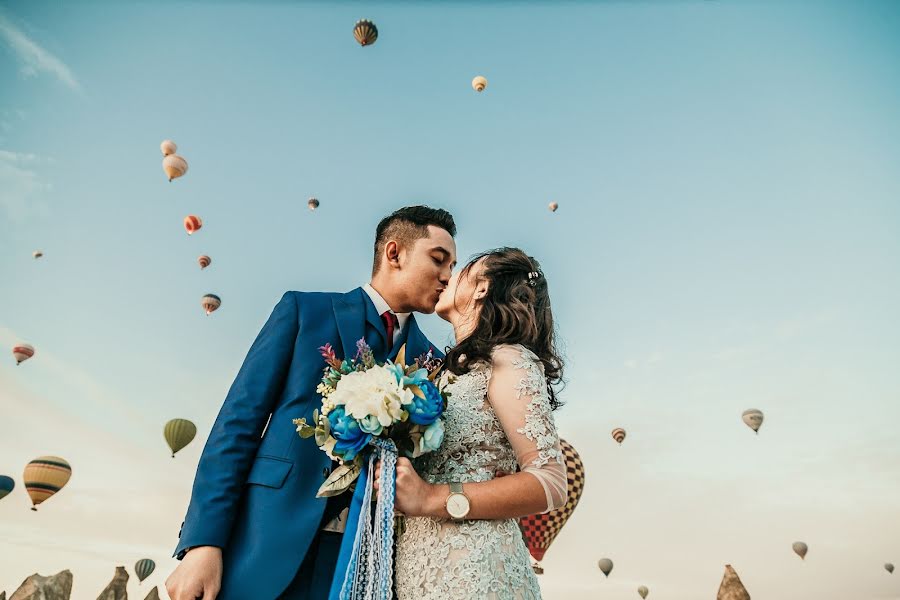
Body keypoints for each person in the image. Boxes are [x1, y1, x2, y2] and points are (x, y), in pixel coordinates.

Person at [165, 206, 457, 600]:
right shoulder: (305, 311)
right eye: (438, 260)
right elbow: (238, 423)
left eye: (452, 266)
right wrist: (203, 543)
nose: (447, 276)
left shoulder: (436, 362)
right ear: (394, 253)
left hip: (367, 566)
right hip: (263, 543)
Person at [375, 247, 568, 600]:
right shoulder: (441, 371)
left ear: (482, 286)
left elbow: (551, 482)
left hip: (476, 571)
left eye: (460, 268)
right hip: (418, 567)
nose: (447, 276)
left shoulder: (509, 358)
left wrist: (432, 497)